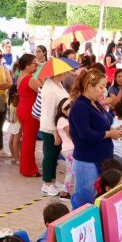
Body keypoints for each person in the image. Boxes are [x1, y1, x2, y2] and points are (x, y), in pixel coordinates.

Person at [69, 69, 122, 209]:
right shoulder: (80, 106)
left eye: (105, 86)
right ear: (89, 86)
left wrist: (114, 131)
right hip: (87, 162)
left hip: (100, 160)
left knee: (96, 200)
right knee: (84, 204)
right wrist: (109, 134)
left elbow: (103, 123)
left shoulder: (94, 103)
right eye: (101, 87)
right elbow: (86, 135)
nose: (104, 91)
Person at [39, 59, 72, 197]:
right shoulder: (50, 89)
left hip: (57, 126)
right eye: (64, 72)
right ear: (58, 73)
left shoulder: (58, 84)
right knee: (50, 156)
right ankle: (47, 184)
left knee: (53, 156)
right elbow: (49, 114)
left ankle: (51, 181)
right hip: (50, 129)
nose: (66, 73)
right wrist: (55, 134)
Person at [16, 54, 41, 178]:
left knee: (27, 140)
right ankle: (29, 169)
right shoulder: (30, 79)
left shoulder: (21, 76)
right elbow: (43, 90)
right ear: (27, 65)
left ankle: (27, 167)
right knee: (29, 142)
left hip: (23, 109)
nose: (37, 65)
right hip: (30, 111)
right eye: (34, 63)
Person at [55, 98, 73, 201]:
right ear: (63, 110)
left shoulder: (64, 119)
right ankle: (64, 193)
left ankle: (65, 192)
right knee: (71, 171)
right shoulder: (63, 120)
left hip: (69, 148)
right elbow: (70, 135)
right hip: (69, 149)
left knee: (71, 171)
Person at [7, 83, 21, 164]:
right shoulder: (17, 98)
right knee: (16, 142)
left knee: (11, 141)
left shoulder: (11, 99)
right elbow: (17, 114)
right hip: (17, 123)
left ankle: (14, 157)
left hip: (13, 123)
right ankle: (18, 159)